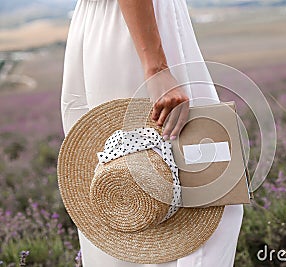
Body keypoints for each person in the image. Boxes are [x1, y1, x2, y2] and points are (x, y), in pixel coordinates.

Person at [60, 0, 244, 266]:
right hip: (139, 31)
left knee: (128, 206)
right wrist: (155, 67)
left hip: (99, 29)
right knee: (211, 193)